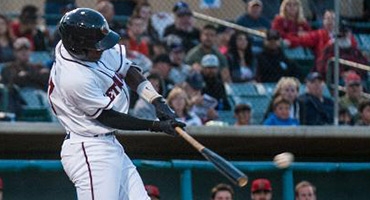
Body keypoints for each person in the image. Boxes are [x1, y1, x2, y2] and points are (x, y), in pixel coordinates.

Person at [48, 8, 186, 199]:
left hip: (110, 144)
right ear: (77, 48)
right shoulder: (73, 78)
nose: (103, 49)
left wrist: (158, 101)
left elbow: (128, 70)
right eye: (97, 46)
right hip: (89, 148)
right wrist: (155, 125)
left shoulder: (90, 47)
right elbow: (109, 118)